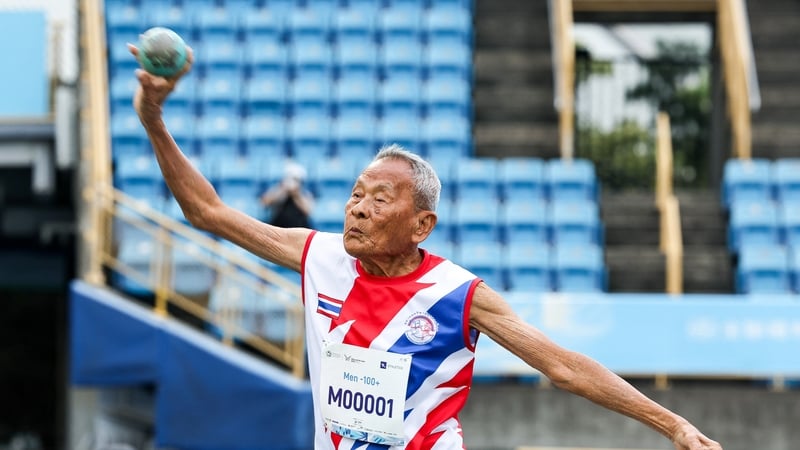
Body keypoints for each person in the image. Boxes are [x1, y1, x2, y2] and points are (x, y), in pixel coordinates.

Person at [128, 44, 723, 450]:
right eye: (355, 194)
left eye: (379, 199)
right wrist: (154, 117)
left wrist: (671, 425)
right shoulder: (320, 255)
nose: (357, 208)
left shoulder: (458, 294)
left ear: (421, 225)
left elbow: (564, 366)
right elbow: (205, 211)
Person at [260, 161, 314, 228]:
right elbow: (264, 203)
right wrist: (282, 189)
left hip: (299, 228)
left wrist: (296, 194)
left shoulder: (305, 194)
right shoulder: (279, 190)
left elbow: (308, 211)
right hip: (279, 227)